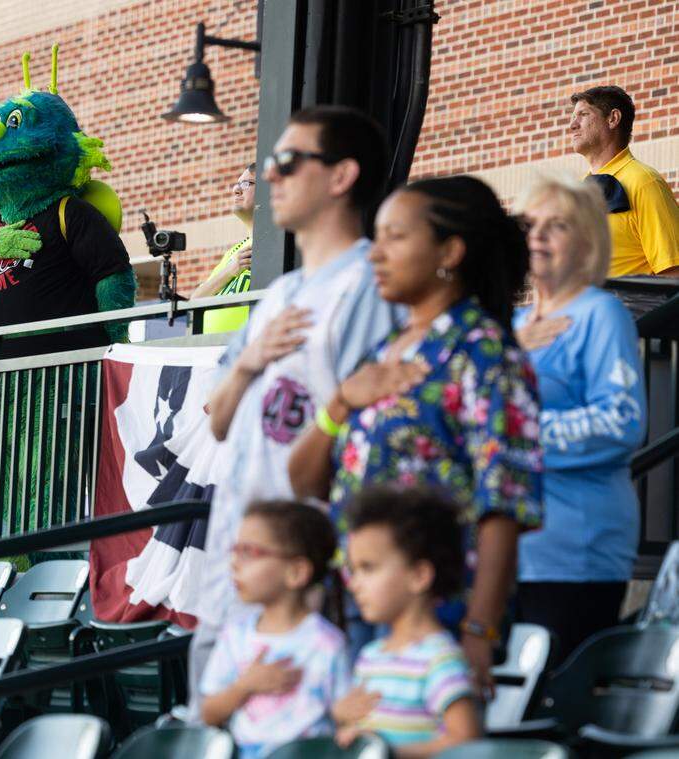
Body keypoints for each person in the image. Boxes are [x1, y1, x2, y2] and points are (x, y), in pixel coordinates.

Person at [288, 175, 543, 692]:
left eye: (396, 238)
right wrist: (340, 402)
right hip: (357, 605)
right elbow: (307, 483)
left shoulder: (484, 353)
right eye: (376, 238)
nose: (375, 255)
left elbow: (504, 508)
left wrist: (478, 631)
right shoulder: (381, 352)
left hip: (440, 617)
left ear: (449, 250)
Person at [191, 105, 400, 715]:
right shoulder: (279, 292)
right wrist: (252, 360)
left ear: (340, 177)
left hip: (310, 570)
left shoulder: (367, 285)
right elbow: (218, 417)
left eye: (287, 161)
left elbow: (370, 442)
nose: (270, 177)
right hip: (238, 552)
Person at [513, 174, 647, 665]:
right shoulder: (512, 327)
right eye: (530, 224)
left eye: (557, 225)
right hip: (506, 549)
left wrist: (514, 440)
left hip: (575, 548)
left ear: (587, 240)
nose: (538, 236)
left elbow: (621, 421)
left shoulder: (600, 314)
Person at [334, 486, 479, 757]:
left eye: (368, 568)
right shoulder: (371, 655)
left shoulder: (439, 658)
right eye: (353, 571)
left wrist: (391, 754)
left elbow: (467, 743)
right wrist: (342, 719)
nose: (354, 584)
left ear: (419, 575)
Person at [200, 499, 350, 759]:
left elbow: (346, 720)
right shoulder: (235, 636)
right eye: (235, 550)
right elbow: (209, 713)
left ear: (296, 572)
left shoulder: (327, 644)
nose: (235, 563)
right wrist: (244, 687)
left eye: (249, 552)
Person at [569, 86, 679, 277]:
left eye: (583, 114)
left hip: (631, 307)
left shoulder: (645, 182)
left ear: (613, 119)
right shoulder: (577, 191)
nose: (572, 125)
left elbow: (672, 273)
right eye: (572, 117)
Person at [191, 163, 255, 334]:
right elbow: (195, 299)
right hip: (209, 351)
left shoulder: (274, 244)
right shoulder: (234, 253)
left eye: (246, 184)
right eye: (237, 184)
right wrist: (231, 270)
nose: (236, 189)